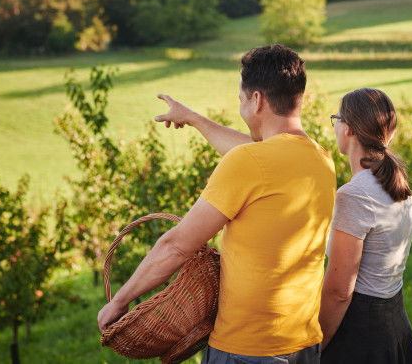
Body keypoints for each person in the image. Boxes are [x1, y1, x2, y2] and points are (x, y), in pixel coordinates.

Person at [97, 44, 336, 364]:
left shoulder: (249, 162)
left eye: (241, 100)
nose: (241, 108)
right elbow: (255, 154)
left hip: (247, 349)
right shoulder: (320, 159)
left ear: (257, 100)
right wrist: (193, 118)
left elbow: (177, 245)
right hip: (303, 342)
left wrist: (120, 301)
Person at [319, 88, 412, 364]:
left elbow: (339, 292)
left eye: (336, 119)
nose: (335, 127)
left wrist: (315, 348)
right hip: (394, 324)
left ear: (349, 129)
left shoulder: (355, 195)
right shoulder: (396, 184)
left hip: (359, 336)